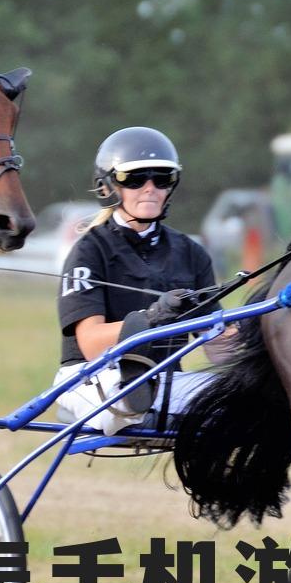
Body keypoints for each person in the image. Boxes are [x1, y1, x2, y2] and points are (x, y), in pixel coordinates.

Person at [54, 126, 218, 434]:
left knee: (248, 396)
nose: (150, 188)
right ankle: (140, 403)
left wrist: (260, 325)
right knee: (126, 396)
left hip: (167, 380)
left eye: (162, 178)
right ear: (108, 186)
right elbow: (90, 344)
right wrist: (152, 317)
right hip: (92, 376)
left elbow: (219, 348)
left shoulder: (192, 253)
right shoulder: (89, 250)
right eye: (135, 178)